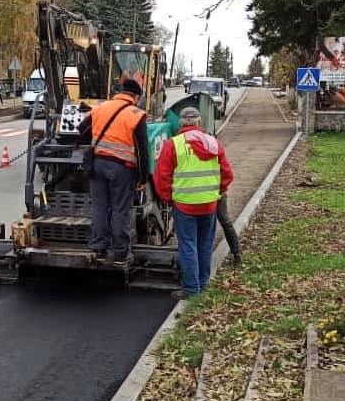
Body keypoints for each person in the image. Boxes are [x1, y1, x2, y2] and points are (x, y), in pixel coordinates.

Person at [154, 107, 234, 300]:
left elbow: (162, 177)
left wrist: (168, 199)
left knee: (188, 245)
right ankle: (203, 285)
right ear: (199, 123)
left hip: (184, 205)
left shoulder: (173, 144)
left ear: (181, 124)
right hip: (209, 204)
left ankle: (191, 290)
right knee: (205, 245)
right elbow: (227, 174)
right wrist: (218, 192)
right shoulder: (214, 143)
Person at [78, 79, 149, 268]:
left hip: (98, 165)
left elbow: (81, 130)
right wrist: (143, 178)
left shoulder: (101, 108)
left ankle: (99, 248)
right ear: (136, 97)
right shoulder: (136, 114)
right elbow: (143, 150)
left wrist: (95, 140)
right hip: (121, 169)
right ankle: (120, 253)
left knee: (100, 207)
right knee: (120, 209)